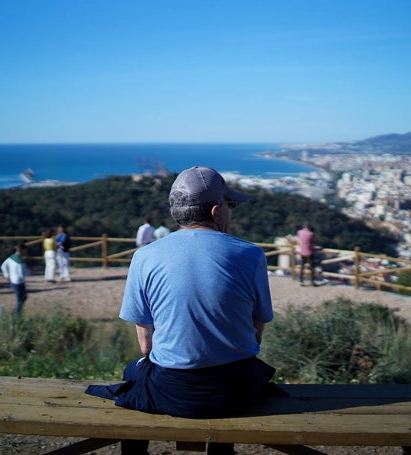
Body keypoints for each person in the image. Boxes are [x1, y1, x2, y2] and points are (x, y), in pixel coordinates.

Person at [86, 166, 276, 455]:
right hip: (236, 389)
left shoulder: (144, 257)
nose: (231, 211)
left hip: (173, 390)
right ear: (216, 212)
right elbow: (257, 333)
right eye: (230, 204)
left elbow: (146, 344)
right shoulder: (250, 254)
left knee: (134, 372)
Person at [1, 243, 30, 315]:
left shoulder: (11, 258)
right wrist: (30, 272)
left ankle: (16, 311)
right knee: (20, 299)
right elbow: (22, 273)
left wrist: (6, 275)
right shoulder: (20, 262)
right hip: (19, 282)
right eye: (25, 250)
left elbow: (3, 266)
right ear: (22, 250)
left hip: (14, 281)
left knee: (23, 297)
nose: (26, 252)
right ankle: (16, 314)